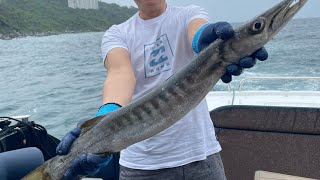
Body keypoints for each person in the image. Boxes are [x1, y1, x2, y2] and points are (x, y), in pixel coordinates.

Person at [56, 0, 268, 179]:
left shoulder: (188, 14)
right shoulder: (118, 34)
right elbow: (120, 74)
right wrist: (104, 116)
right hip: (141, 167)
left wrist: (206, 39)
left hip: (202, 158)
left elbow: (198, 32)